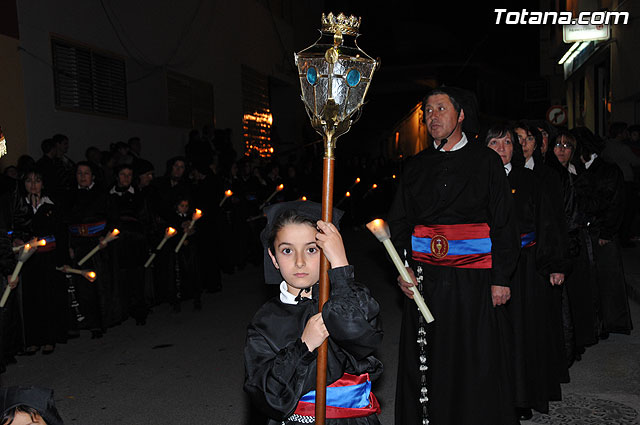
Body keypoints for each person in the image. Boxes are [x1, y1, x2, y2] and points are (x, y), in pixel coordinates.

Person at [389, 87, 520, 425]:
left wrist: (501, 278)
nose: (433, 116)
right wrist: (404, 268)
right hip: (425, 281)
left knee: (474, 357)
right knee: (430, 357)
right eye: (428, 111)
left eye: (441, 108)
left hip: (474, 280)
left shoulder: (485, 161)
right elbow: (400, 223)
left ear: (460, 115)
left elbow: (504, 223)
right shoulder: (416, 166)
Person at [244, 201, 383, 425]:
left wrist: (340, 263)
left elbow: (363, 337)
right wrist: (304, 346)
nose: (300, 262)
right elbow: (266, 394)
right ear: (273, 258)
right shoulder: (265, 322)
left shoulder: (346, 300)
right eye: (287, 250)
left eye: (311, 250)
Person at [486, 124, 568, 419]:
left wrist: (554, 264)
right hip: (488, 268)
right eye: (495, 142)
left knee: (523, 334)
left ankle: (522, 397)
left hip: (526, 268)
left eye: (508, 142)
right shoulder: (477, 181)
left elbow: (548, 221)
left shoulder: (530, 180)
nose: (502, 147)